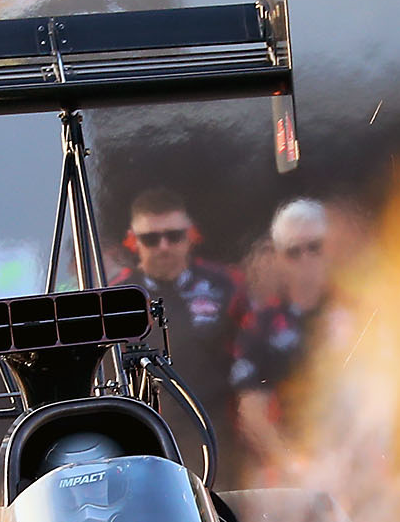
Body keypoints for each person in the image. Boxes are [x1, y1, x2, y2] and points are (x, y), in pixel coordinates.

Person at [111, 189, 248, 479]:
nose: (163, 246)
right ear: (134, 242)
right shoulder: (118, 297)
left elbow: (254, 360)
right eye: (151, 238)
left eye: (174, 236)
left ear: (191, 235)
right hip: (149, 445)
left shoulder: (225, 284)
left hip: (219, 439)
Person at [231, 199, 337, 485]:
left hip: (354, 465)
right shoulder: (259, 325)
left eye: (314, 247)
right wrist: (293, 464)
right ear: (278, 258)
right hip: (293, 472)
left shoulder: (362, 313)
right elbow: (252, 410)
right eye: (293, 251)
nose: (305, 259)